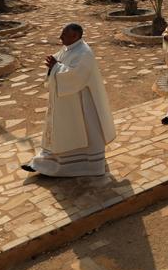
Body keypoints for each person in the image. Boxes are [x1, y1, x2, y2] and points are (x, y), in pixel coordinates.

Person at [23, 24, 116, 177]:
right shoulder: (69, 47)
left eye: (64, 35)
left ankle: (86, 166)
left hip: (81, 105)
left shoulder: (85, 52)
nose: (60, 37)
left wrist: (55, 67)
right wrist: (53, 65)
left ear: (75, 36)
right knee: (60, 132)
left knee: (82, 133)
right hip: (65, 103)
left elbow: (76, 77)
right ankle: (43, 163)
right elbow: (59, 63)